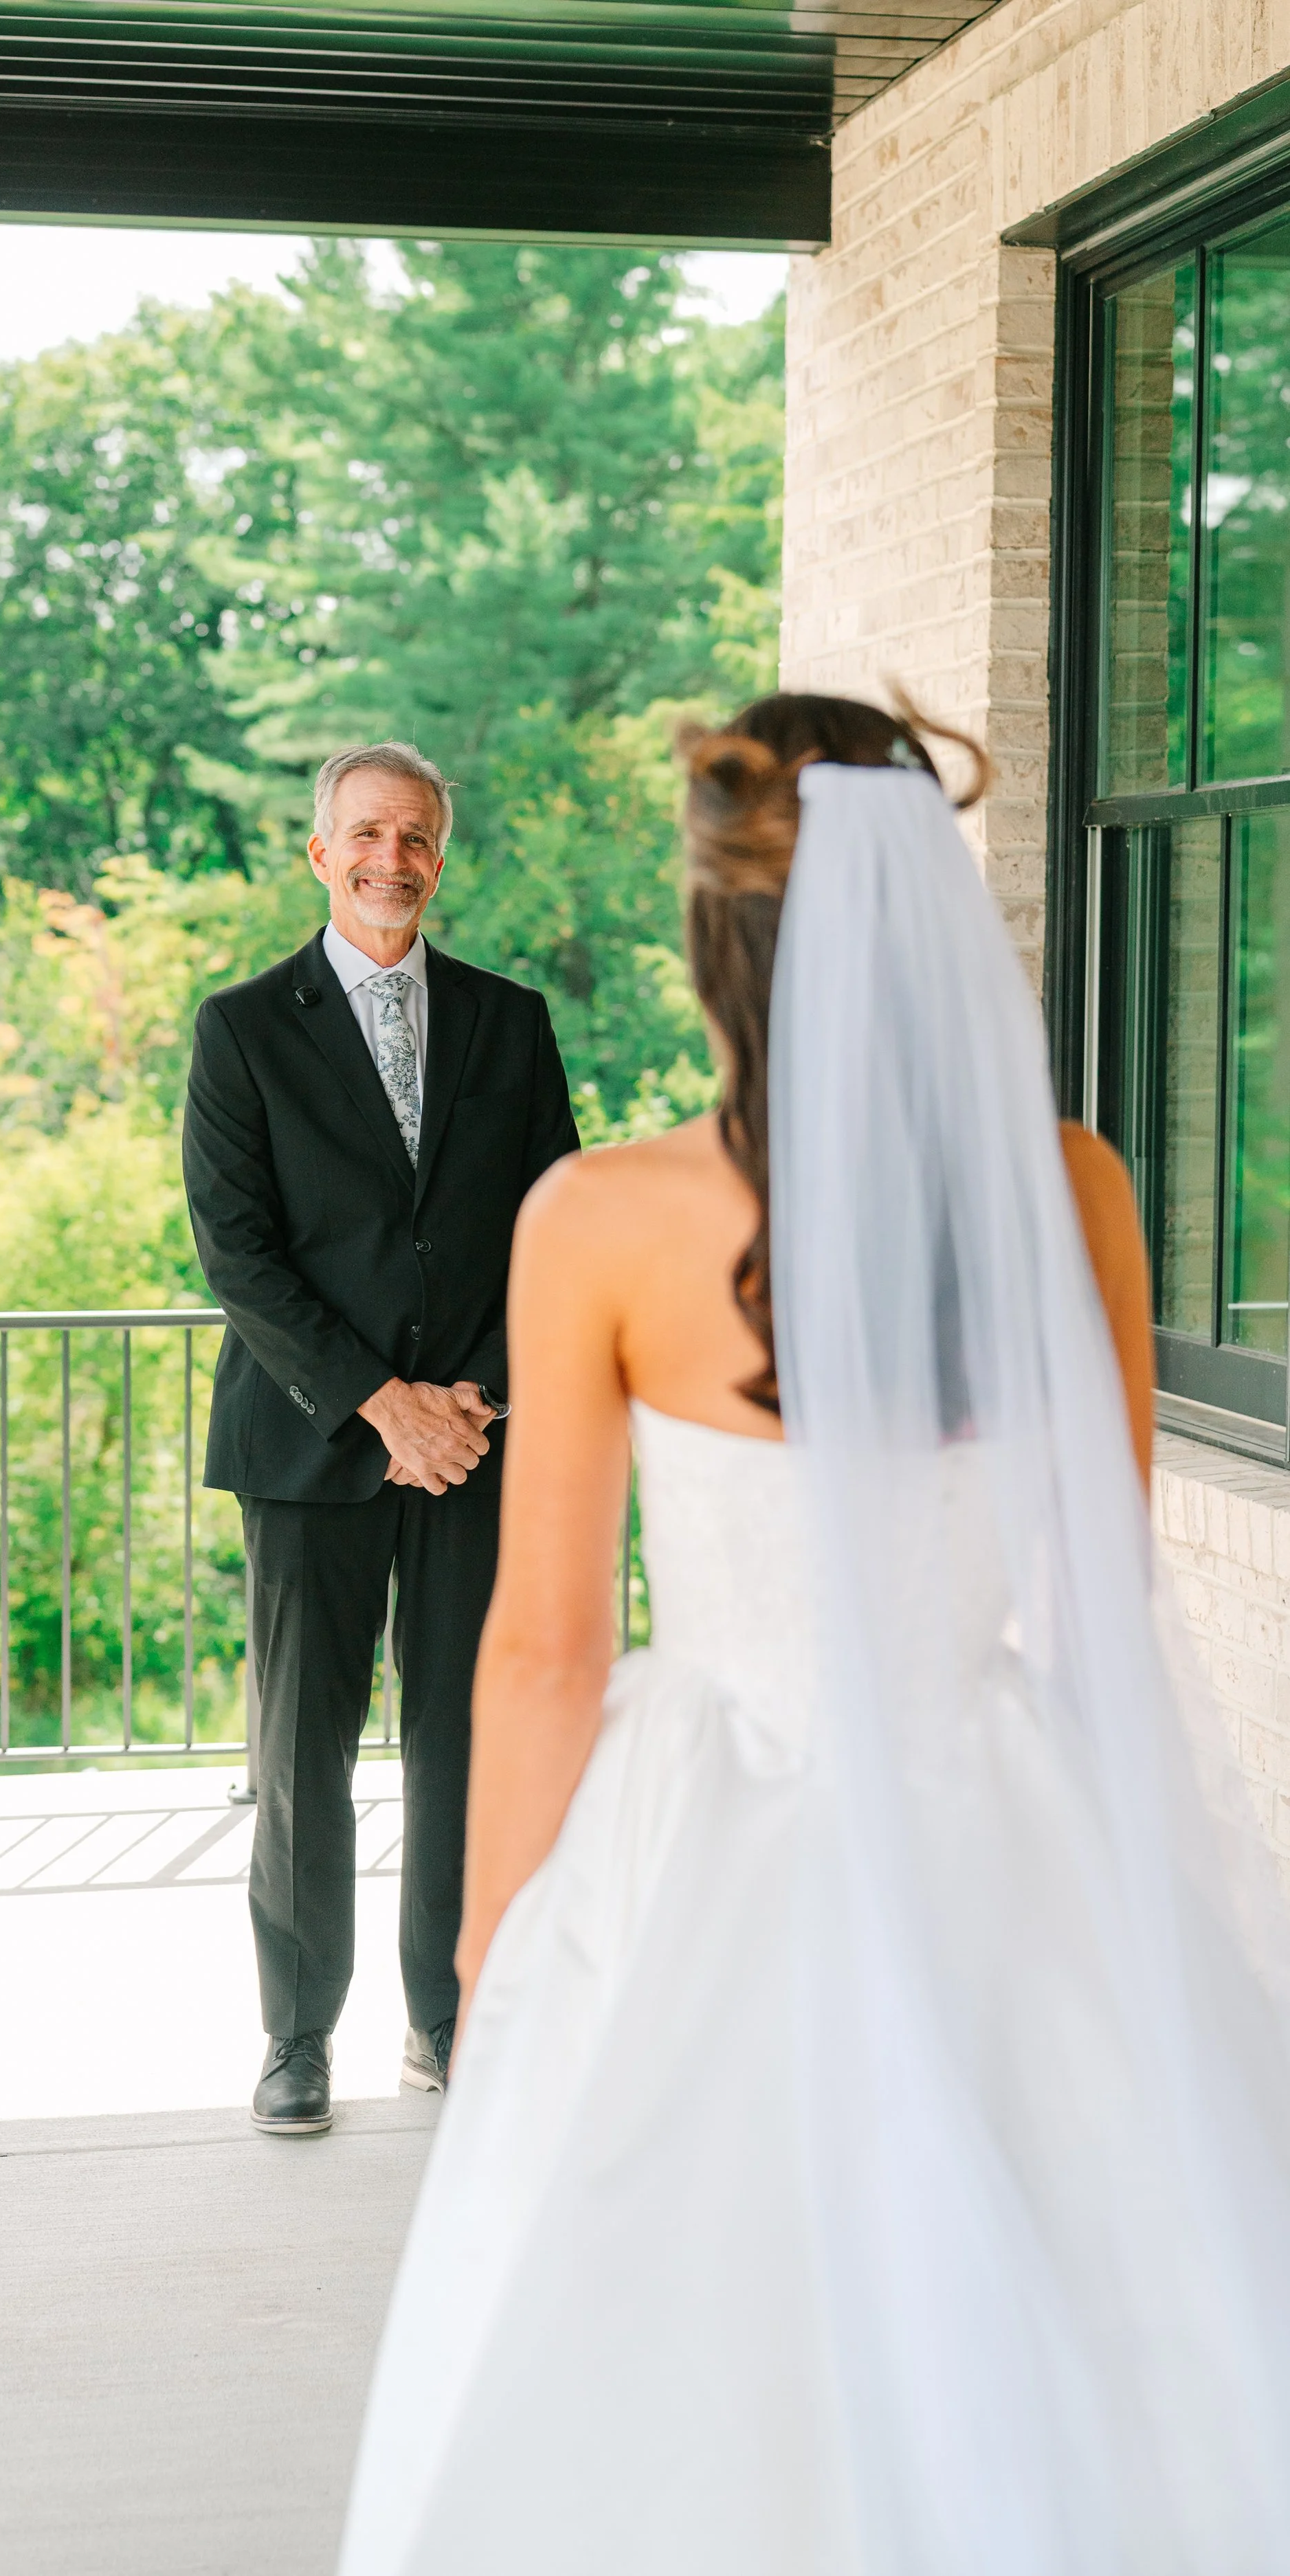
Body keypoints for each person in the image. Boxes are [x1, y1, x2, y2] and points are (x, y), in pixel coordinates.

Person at [339, 695, 1290, 2573]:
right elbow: (1094, 1581)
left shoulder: (598, 1215)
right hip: (996, 1811)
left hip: (701, 1840)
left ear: (716, 933)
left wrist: (490, 1952)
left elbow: (538, 1647)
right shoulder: (1068, 1185)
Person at [182, 741, 580, 2136]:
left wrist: (463, 1398)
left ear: (439, 853)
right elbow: (238, 1252)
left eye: (413, 836)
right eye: (363, 834)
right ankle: (296, 2037)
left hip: (475, 1441)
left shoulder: (508, 1022)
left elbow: (556, 1222)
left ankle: (452, 2018)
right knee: (300, 1750)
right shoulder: (239, 1028)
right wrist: (377, 1401)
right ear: (318, 852)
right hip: (309, 1445)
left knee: (462, 1738)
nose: (387, 859)